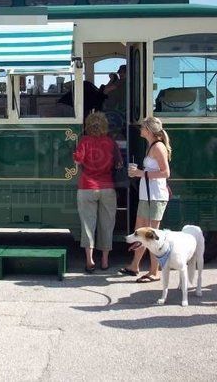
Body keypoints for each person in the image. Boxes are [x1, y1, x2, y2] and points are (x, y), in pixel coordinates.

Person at [120, 116, 171, 282]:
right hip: (148, 195)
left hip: (155, 196)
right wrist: (140, 172)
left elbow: (165, 172)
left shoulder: (158, 147)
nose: (140, 129)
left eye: (142, 127)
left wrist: (141, 173)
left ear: (148, 130)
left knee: (151, 235)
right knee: (140, 231)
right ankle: (135, 266)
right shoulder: (152, 146)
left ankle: (154, 272)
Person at [73, 112, 117, 272]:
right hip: (107, 187)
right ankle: (104, 261)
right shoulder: (111, 142)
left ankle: (90, 261)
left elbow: (77, 159)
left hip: (87, 187)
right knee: (107, 225)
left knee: (88, 225)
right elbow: (118, 163)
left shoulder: (84, 141)